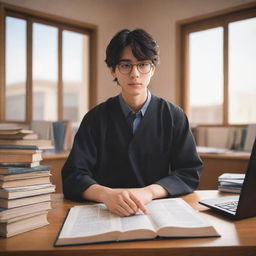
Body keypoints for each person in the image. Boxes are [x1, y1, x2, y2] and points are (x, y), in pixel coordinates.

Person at [61, 28, 202, 217]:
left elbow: (189, 171)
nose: (135, 74)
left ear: (152, 69)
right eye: (126, 65)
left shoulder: (174, 116)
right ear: (113, 69)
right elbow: (73, 176)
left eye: (143, 64)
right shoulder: (95, 118)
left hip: (155, 211)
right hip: (105, 212)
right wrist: (106, 194)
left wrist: (149, 192)